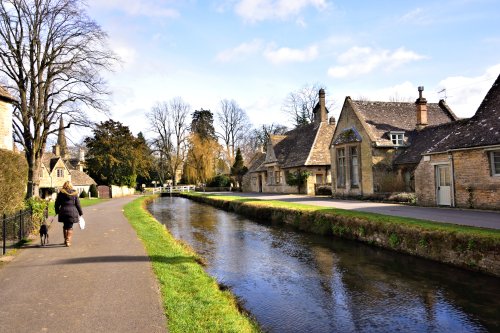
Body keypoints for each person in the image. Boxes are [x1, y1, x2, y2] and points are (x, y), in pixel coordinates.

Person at [55, 181, 83, 247]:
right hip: (72, 212)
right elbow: (78, 204)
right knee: (70, 227)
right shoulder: (74, 193)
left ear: (64, 185)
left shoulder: (61, 193)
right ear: (71, 186)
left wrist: (57, 211)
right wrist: (80, 212)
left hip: (63, 211)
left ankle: (65, 240)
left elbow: (57, 203)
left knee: (65, 226)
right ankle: (68, 240)